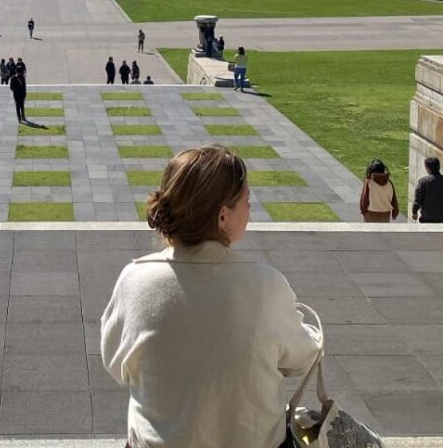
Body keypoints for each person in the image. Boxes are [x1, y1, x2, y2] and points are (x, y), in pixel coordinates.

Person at [101, 146, 322, 448]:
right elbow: (302, 357)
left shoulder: (134, 280)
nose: (250, 209)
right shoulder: (265, 285)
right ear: (222, 216)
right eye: (246, 201)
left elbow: (117, 364)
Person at [360, 159, 400, 223]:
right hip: (385, 215)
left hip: (370, 214)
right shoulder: (389, 183)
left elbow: (364, 199)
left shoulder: (368, 183)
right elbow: (394, 200)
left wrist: (363, 211)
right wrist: (395, 213)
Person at [412, 156, 443, 223]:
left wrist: (414, 212)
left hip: (427, 218)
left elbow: (418, 199)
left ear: (428, 168)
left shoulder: (423, 182)